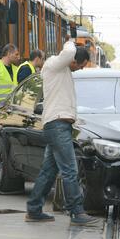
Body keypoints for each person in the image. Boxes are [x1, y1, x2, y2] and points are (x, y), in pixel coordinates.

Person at [26, 36, 98, 225]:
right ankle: (76, 211)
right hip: (57, 125)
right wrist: (70, 40)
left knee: (49, 171)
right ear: (73, 60)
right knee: (69, 169)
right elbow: (68, 51)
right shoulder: (54, 65)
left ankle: (34, 209)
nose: (80, 69)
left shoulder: (62, 71)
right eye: (80, 65)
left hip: (59, 125)